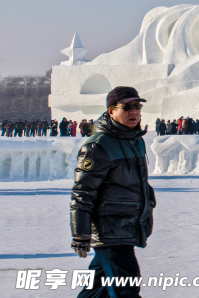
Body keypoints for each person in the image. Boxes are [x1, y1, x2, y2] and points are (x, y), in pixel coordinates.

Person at [70, 86, 156, 298]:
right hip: (110, 230)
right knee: (126, 289)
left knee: (96, 291)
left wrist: (148, 199)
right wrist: (80, 233)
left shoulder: (134, 141)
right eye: (127, 107)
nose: (134, 112)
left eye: (137, 106)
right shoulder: (97, 146)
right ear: (111, 111)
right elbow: (83, 193)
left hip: (126, 226)